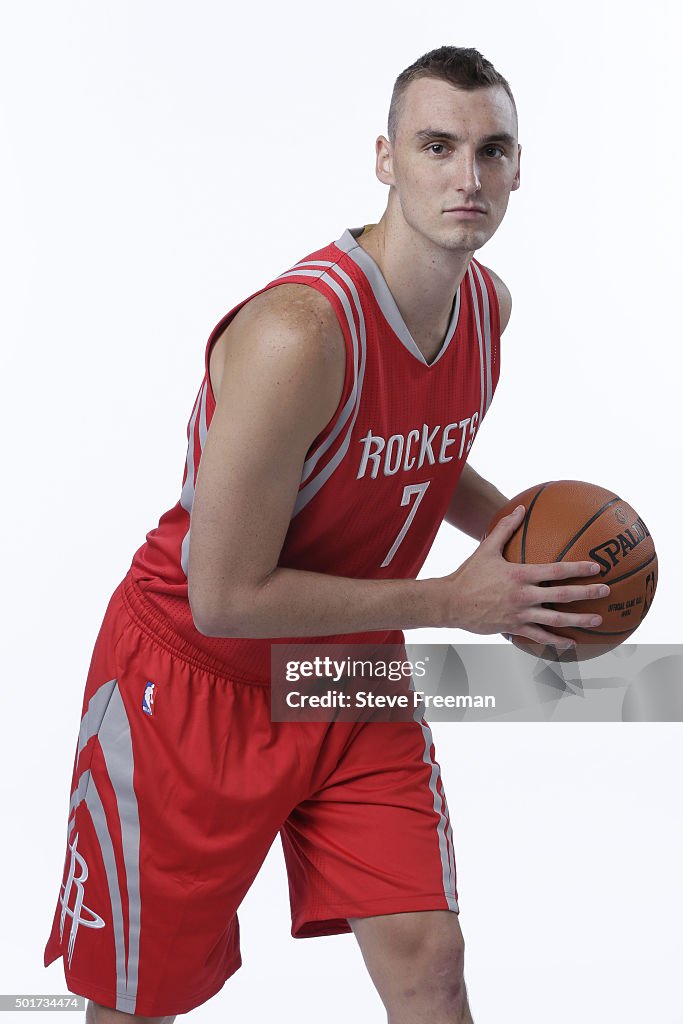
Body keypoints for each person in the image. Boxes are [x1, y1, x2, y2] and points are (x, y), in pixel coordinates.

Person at [44, 45, 609, 1024]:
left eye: (490, 151)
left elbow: (409, 454)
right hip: (192, 680)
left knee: (430, 958)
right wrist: (452, 601)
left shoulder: (483, 308)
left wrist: (526, 548)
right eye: (435, 146)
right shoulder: (297, 334)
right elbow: (222, 590)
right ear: (383, 159)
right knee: (141, 1005)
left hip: (347, 678)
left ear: (519, 169)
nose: (464, 178)